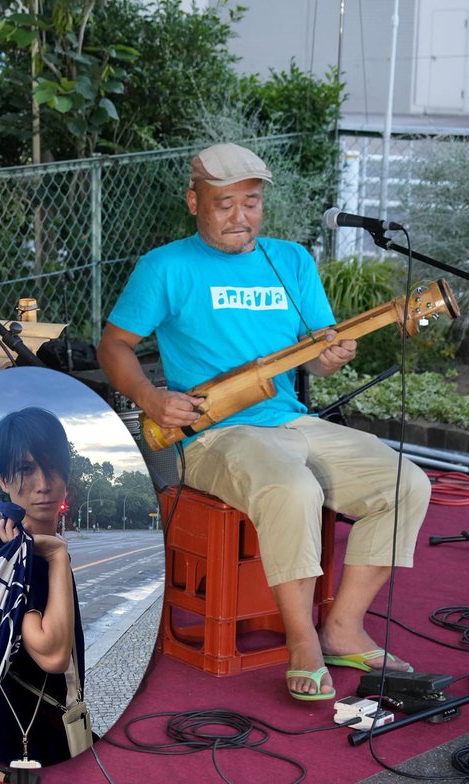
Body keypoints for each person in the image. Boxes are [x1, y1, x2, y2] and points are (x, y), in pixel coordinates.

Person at [96, 143, 430, 702]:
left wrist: (328, 357)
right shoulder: (166, 266)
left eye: (251, 203)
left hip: (292, 423)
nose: (241, 217)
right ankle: (303, 642)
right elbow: (114, 346)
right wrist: (152, 399)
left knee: (406, 483)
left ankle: (343, 627)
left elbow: (318, 347)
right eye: (224, 204)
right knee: (292, 487)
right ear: (193, 201)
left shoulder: (291, 260)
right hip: (215, 433)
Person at [0, 407, 85, 766]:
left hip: (45, 724)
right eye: (26, 470)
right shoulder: (12, 558)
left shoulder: (31, 542)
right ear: (2, 477)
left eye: (52, 466)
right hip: (26, 738)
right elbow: (54, 656)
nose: (43, 483)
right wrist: (58, 558)